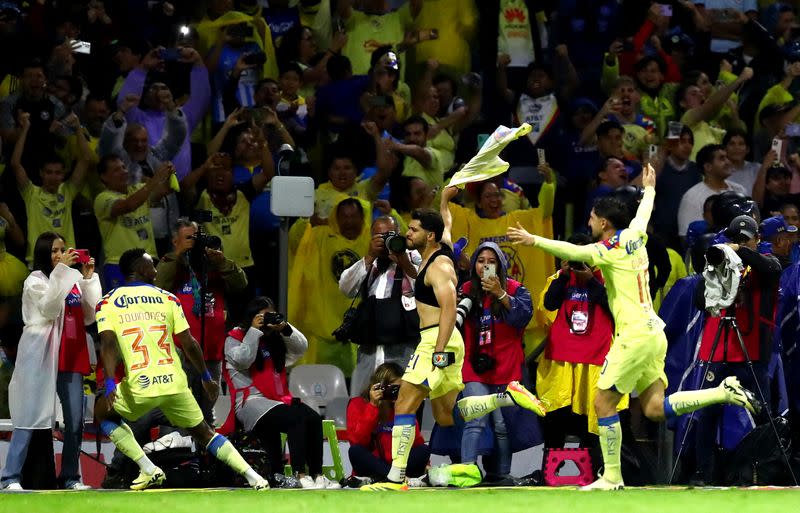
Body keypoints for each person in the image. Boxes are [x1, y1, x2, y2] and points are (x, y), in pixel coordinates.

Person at [507, 163, 760, 490]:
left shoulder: (609, 250)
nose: (588, 222)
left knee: (602, 403)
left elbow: (573, 251)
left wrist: (533, 240)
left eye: (591, 218)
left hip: (633, 336)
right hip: (654, 332)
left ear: (602, 222)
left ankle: (611, 476)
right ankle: (722, 391)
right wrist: (651, 188)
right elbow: (643, 213)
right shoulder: (636, 236)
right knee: (655, 408)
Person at [361, 203, 545, 491]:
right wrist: (444, 201)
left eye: (413, 229)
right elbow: (445, 226)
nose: (407, 233)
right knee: (448, 416)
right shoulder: (433, 256)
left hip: (436, 338)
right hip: (439, 338)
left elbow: (449, 307)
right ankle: (505, 398)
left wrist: (439, 348)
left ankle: (395, 478)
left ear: (429, 236)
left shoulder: (440, 265)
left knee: (404, 402)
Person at [94, 248, 269, 490]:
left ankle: (148, 468)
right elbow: (189, 342)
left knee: (102, 412)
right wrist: (206, 377)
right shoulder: (168, 298)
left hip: (141, 385)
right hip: (175, 383)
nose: (155, 267)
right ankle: (254, 477)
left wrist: (111, 383)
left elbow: (108, 344)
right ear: (139, 269)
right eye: (151, 263)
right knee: (205, 433)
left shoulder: (107, 302)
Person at [1, 232, 101, 490]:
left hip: (71, 355)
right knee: (29, 416)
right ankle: (10, 477)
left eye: (62, 249)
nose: (59, 255)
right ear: (44, 254)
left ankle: (70, 477)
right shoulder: (35, 280)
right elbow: (49, 308)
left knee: (75, 422)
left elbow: (90, 316)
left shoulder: (73, 279)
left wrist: (88, 280)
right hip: (41, 355)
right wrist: (65, 273)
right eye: (54, 251)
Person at [222, 297, 339, 489]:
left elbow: (301, 348)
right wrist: (254, 330)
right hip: (250, 402)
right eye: (263, 315)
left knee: (313, 418)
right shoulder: (234, 337)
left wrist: (285, 328)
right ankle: (300, 475)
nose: (267, 319)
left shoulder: (274, 341)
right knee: (296, 417)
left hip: (274, 400)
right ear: (253, 316)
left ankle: (317, 475)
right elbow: (243, 360)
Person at [154, 218, 248, 424]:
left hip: (212, 350)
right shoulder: (170, 264)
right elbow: (159, 286)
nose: (194, 243)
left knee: (206, 409)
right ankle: (180, 447)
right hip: (181, 350)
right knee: (181, 410)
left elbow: (241, 285)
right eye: (188, 238)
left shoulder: (215, 266)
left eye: (196, 238)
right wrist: (180, 256)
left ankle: (205, 450)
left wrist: (221, 262)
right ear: (175, 241)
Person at [537, 233, 624, 448]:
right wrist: (565, 276)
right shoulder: (559, 278)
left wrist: (591, 281)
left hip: (595, 360)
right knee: (557, 416)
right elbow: (549, 304)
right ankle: (550, 471)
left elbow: (617, 310)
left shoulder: (608, 276)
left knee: (592, 419)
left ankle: (596, 470)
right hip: (562, 361)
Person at [458, 241, 534, 477]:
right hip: (473, 365)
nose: (486, 266)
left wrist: (500, 293)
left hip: (506, 366)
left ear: (501, 265)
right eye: (481, 261)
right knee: (476, 419)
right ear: (474, 265)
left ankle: (501, 475)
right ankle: (467, 472)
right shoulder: (466, 289)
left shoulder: (515, 289)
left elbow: (522, 318)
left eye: (491, 262)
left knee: (502, 426)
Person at [339, 215, 421, 396]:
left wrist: (403, 262)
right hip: (369, 350)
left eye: (390, 235)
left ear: (400, 234)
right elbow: (345, 288)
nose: (386, 241)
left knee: (402, 403)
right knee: (363, 402)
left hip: (403, 348)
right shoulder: (370, 263)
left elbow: (426, 287)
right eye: (379, 236)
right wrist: (369, 257)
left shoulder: (413, 257)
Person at [347, 363, 429, 483]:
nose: (398, 393)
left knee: (423, 450)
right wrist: (373, 406)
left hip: (399, 467)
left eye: (401, 389)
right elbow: (358, 440)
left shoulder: (403, 407)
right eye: (394, 389)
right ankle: (391, 477)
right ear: (381, 387)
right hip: (374, 466)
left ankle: (389, 477)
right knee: (355, 451)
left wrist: (426, 465)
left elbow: (415, 441)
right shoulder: (358, 404)